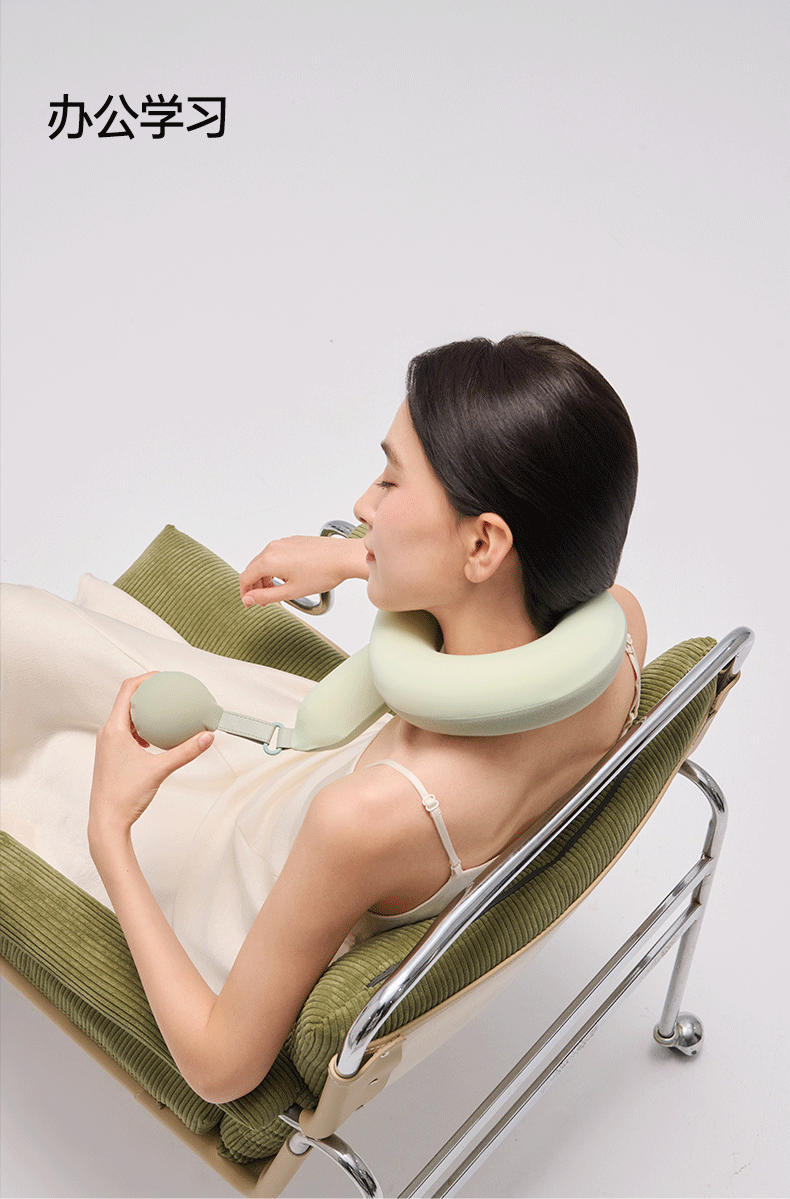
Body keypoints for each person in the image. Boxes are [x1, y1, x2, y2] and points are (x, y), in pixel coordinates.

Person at [2, 333, 645, 1106]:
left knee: (21, 654)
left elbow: (220, 1065)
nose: (362, 506)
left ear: (483, 542)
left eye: (390, 481)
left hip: (236, 882)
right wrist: (353, 558)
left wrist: (109, 828)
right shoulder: (622, 645)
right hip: (306, 776)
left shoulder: (366, 818)